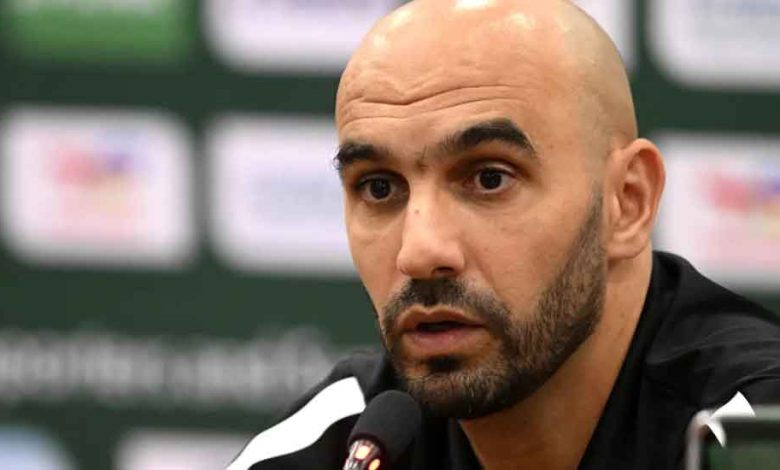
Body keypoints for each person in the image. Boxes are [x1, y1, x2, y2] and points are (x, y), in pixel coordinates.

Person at [228, 0, 780, 468]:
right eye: (379, 188)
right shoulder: (342, 444)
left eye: (489, 178)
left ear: (627, 202)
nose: (420, 252)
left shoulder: (750, 434)